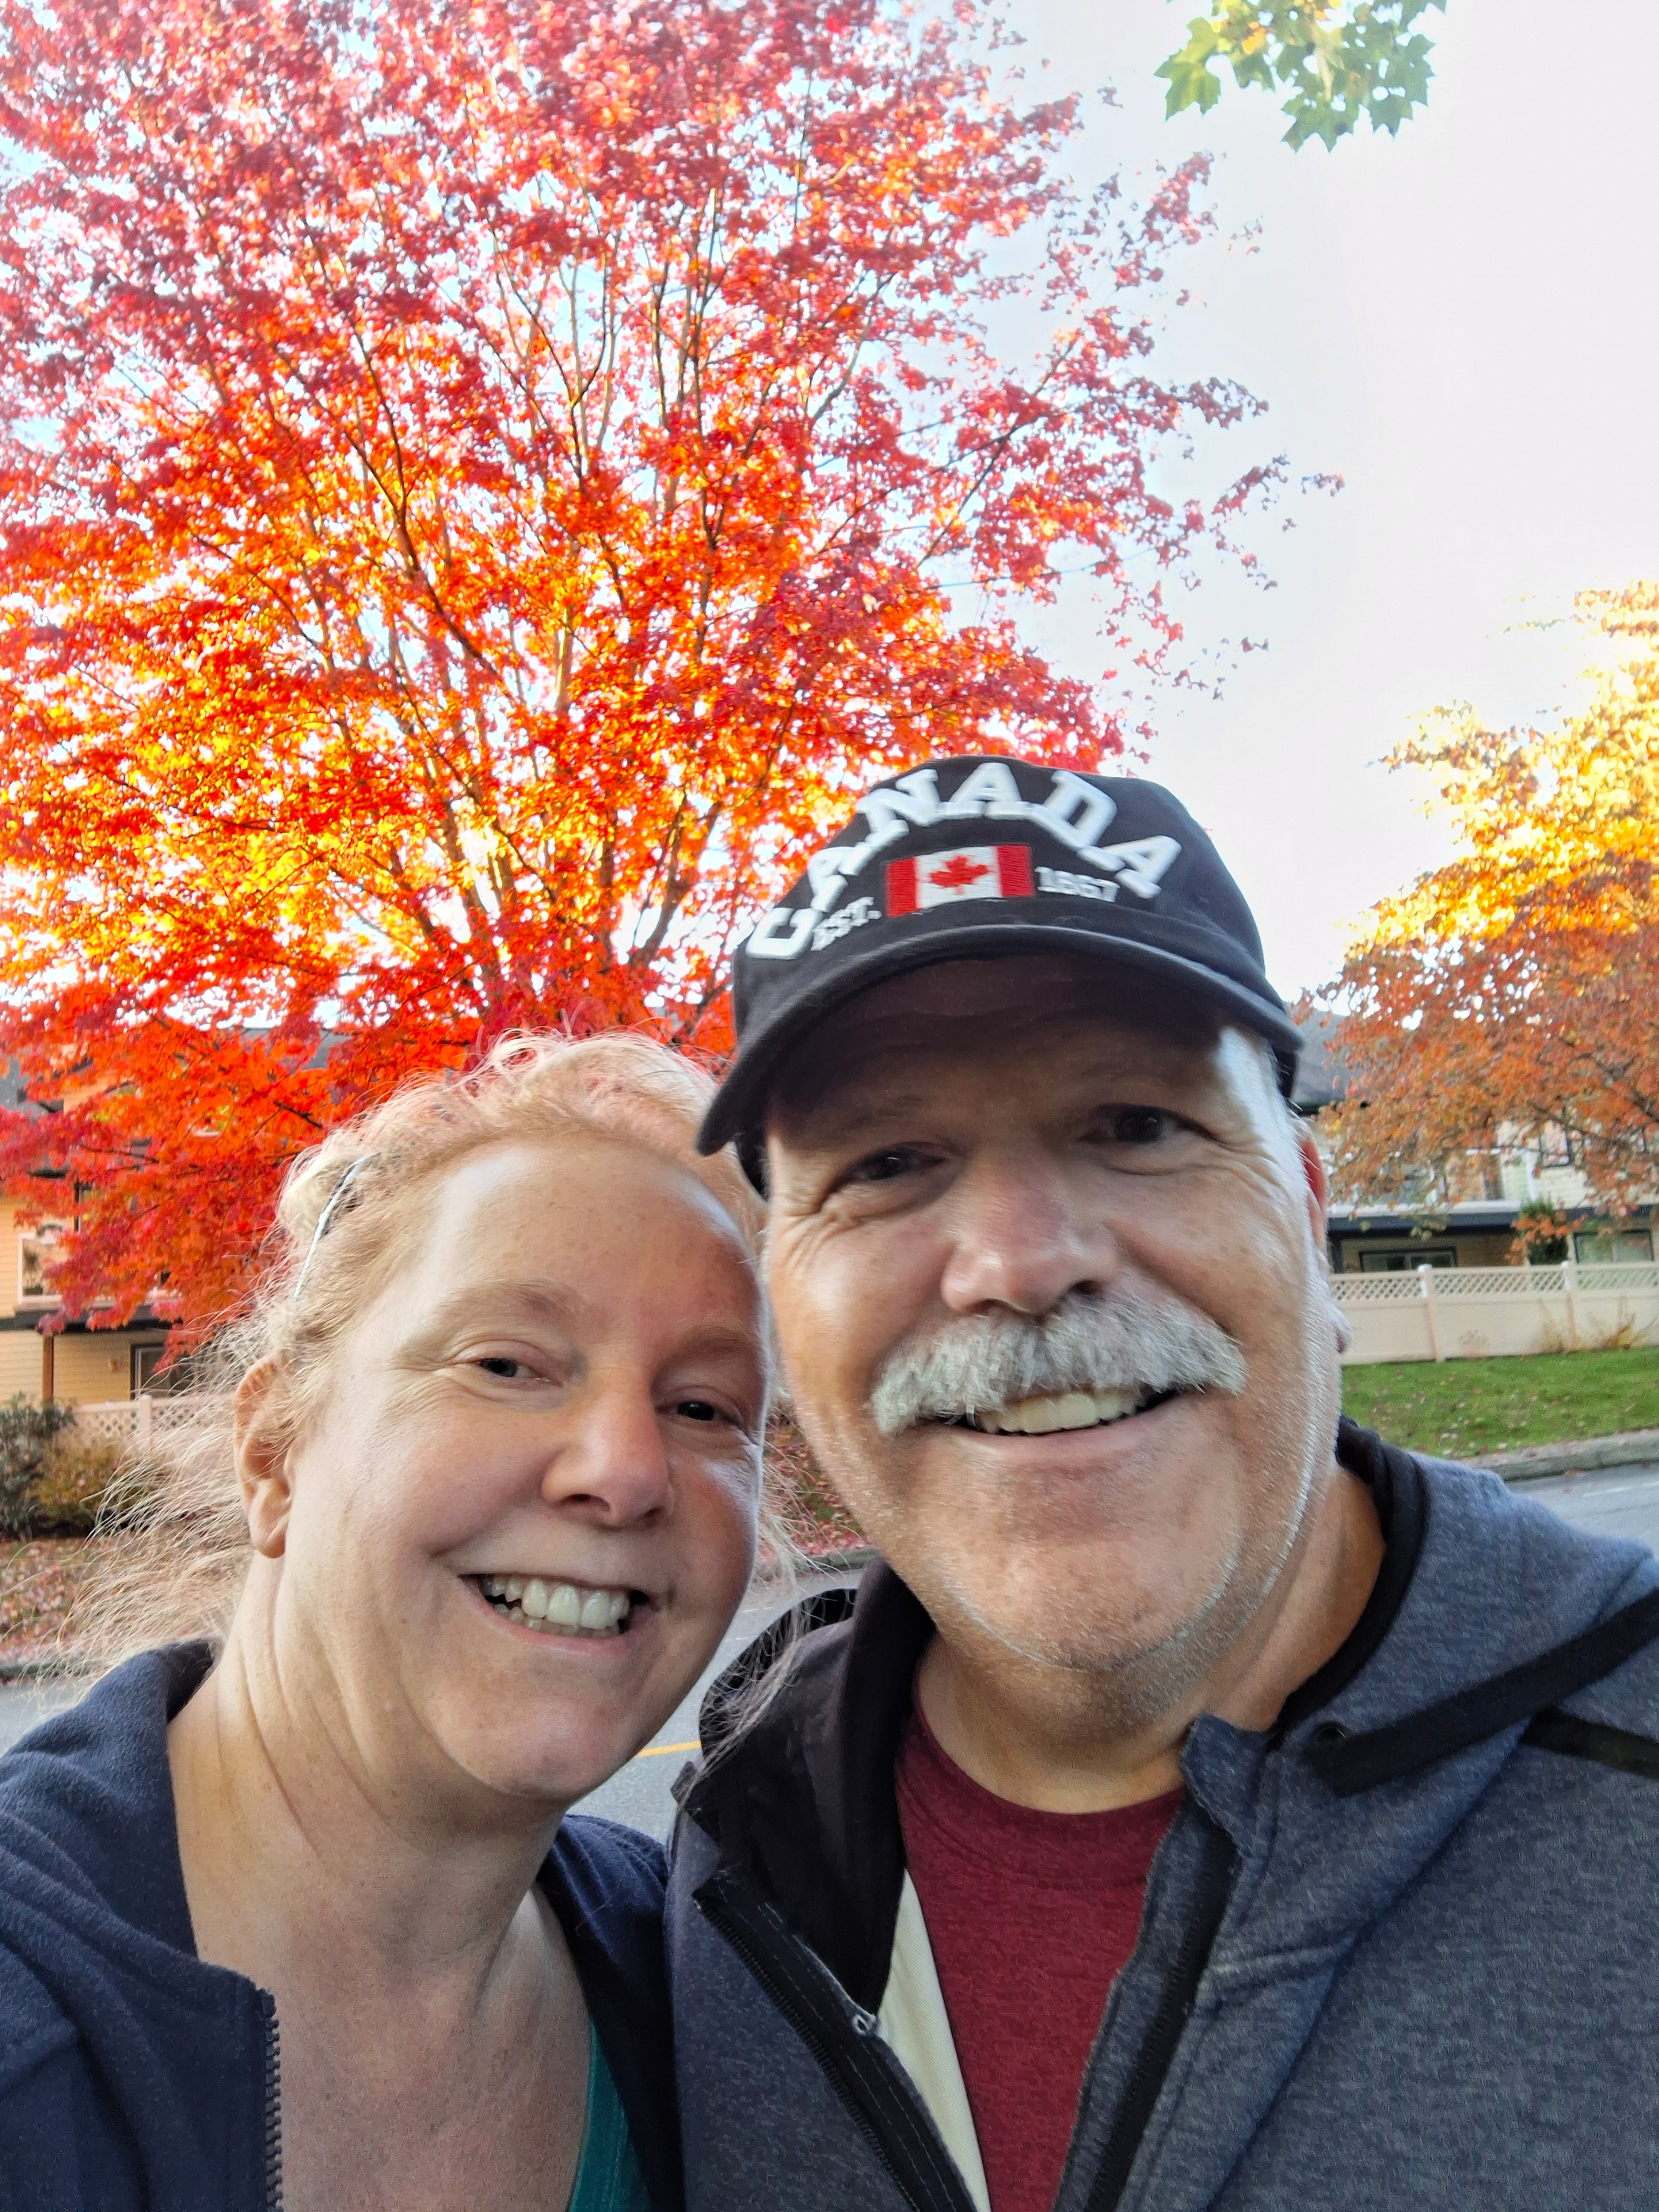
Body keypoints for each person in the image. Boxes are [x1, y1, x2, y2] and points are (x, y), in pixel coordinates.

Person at [667, 755, 1659, 2212]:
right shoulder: (724, 1853)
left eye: (1136, 1123)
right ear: (779, 1301)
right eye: (884, 1161)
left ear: (1308, 1215)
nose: (1020, 1262)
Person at [0, 1033, 768, 2212]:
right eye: (506, 1365)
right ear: (274, 1456)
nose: (626, 1470)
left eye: (705, 1405)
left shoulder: (707, 1991)